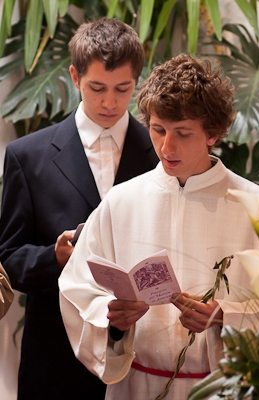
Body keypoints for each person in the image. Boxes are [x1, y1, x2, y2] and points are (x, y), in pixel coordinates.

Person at [58, 54, 259, 400]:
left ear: (212, 133)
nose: (167, 147)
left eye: (182, 133)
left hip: (225, 388)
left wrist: (226, 317)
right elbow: (76, 288)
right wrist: (112, 319)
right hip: (136, 386)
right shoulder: (120, 202)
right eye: (158, 130)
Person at [0, 18, 158, 400]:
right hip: (54, 357)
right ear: (74, 76)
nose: (110, 102)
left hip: (144, 353)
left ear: (137, 81)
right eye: (97, 88)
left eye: (123, 89)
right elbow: (9, 258)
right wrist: (54, 258)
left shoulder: (161, 155)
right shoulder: (27, 156)